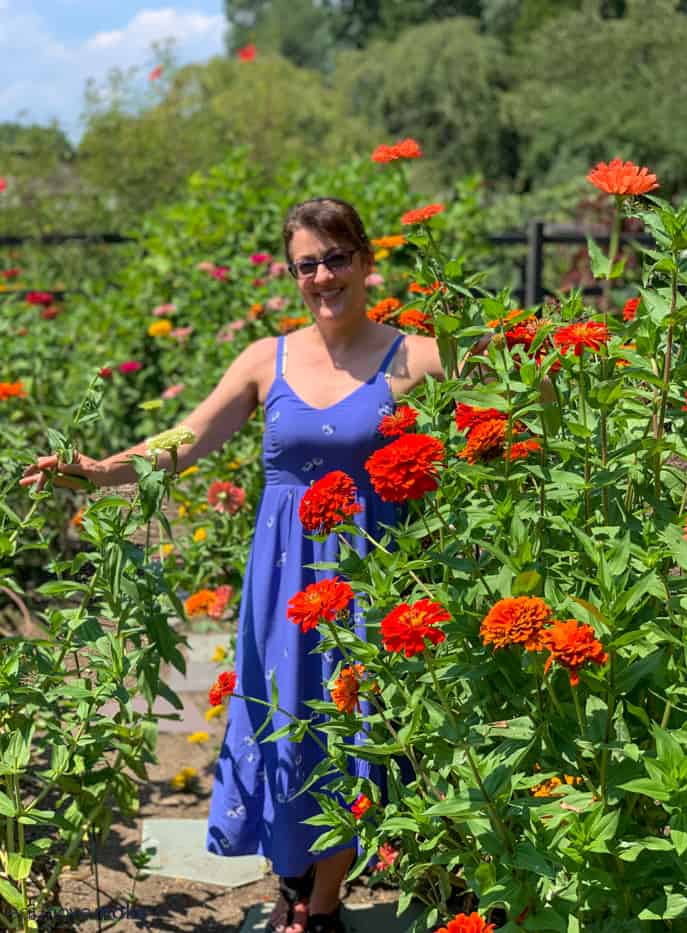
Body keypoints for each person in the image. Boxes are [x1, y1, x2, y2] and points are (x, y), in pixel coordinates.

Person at [20, 197, 451, 933]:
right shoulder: (266, 358)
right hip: (282, 579)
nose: (324, 276)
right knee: (283, 721)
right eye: (307, 264)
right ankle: (292, 878)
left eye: (337, 257)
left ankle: (322, 904)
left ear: (367, 260)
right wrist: (97, 470)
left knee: (353, 729)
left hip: (370, 579)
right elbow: (186, 439)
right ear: (293, 274)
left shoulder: (417, 356)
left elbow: (512, 396)